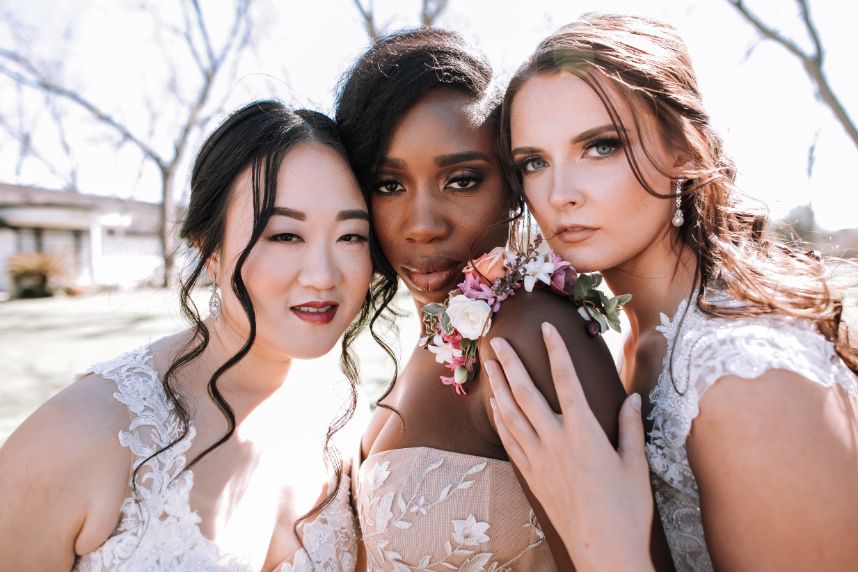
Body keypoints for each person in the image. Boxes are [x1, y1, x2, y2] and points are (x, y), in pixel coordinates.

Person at [486, 13, 858, 571]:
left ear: (685, 151)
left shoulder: (746, 375)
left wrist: (608, 550)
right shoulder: (633, 342)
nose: (560, 194)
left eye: (601, 146)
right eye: (534, 162)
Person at [335, 28, 673, 571]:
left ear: (513, 189)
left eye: (462, 180)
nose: (421, 226)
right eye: (388, 185)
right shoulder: (443, 335)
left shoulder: (532, 334)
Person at [0, 101, 375, 570]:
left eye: (351, 236)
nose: (322, 276)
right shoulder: (78, 433)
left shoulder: (349, 416)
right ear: (210, 250)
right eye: (284, 235)